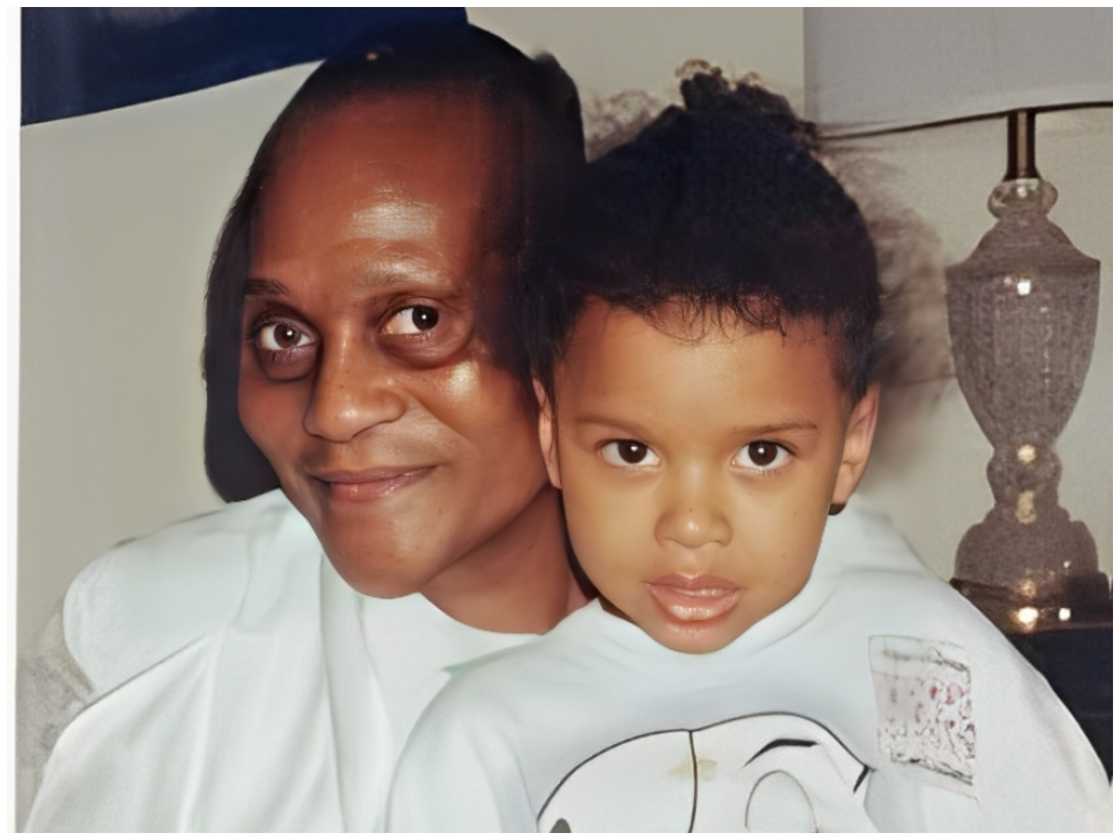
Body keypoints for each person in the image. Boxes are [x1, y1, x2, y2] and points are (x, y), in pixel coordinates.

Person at [386, 70, 1112, 832]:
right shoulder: (485, 741)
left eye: (761, 454)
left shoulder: (924, 658)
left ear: (851, 443)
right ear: (550, 433)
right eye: (632, 451)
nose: (693, 525)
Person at [18, 22, 589, 831]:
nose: (334, 408)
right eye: (284, 333)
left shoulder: (796, 627)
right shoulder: (139, 644)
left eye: (418, 317)